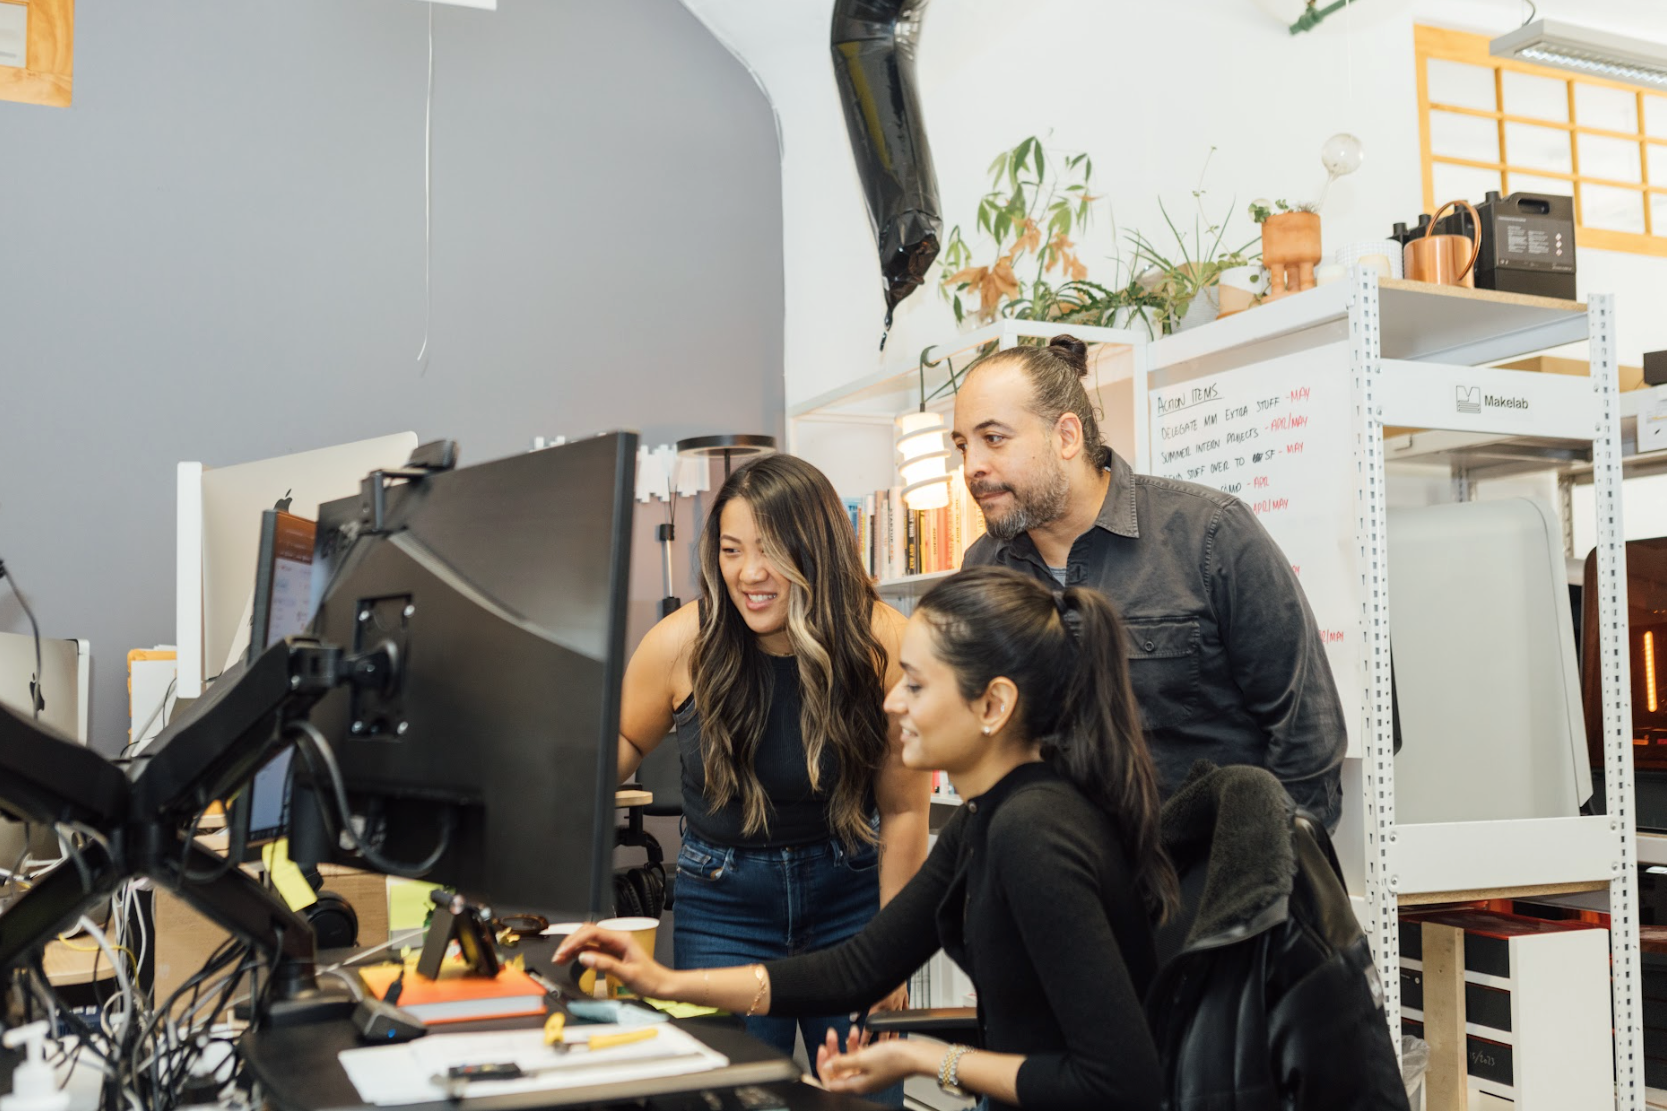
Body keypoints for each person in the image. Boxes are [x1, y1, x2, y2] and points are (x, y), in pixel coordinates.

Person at [566, 566, 1177, 1111]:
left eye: (914, 684)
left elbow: (1119, 1083)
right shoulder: (987, 819)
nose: (890, 702)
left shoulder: (1034, 834)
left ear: (993, 704)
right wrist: (666, 983)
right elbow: (860, 967)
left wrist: (924, 1059)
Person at [615, 453, 930, 1072]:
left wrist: (894, 951)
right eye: (731, 550)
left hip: (852, 903)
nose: (749, 573)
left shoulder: (885, 642)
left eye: (773, 551)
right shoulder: (682, 643)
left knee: (863, 1096)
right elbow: (610, 757)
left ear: (817, 551)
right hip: (724, 908)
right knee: (739, 1093)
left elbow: (903, 810)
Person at [954, 334, 1347, 829]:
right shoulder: (983, 568)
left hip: (1207, 886)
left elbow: (1308, 733)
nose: (972, 468)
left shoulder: (1210, 533)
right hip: (1068, 887)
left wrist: (1259, 879)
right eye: (963, 446)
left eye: (994, 439)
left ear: (1067, 437)